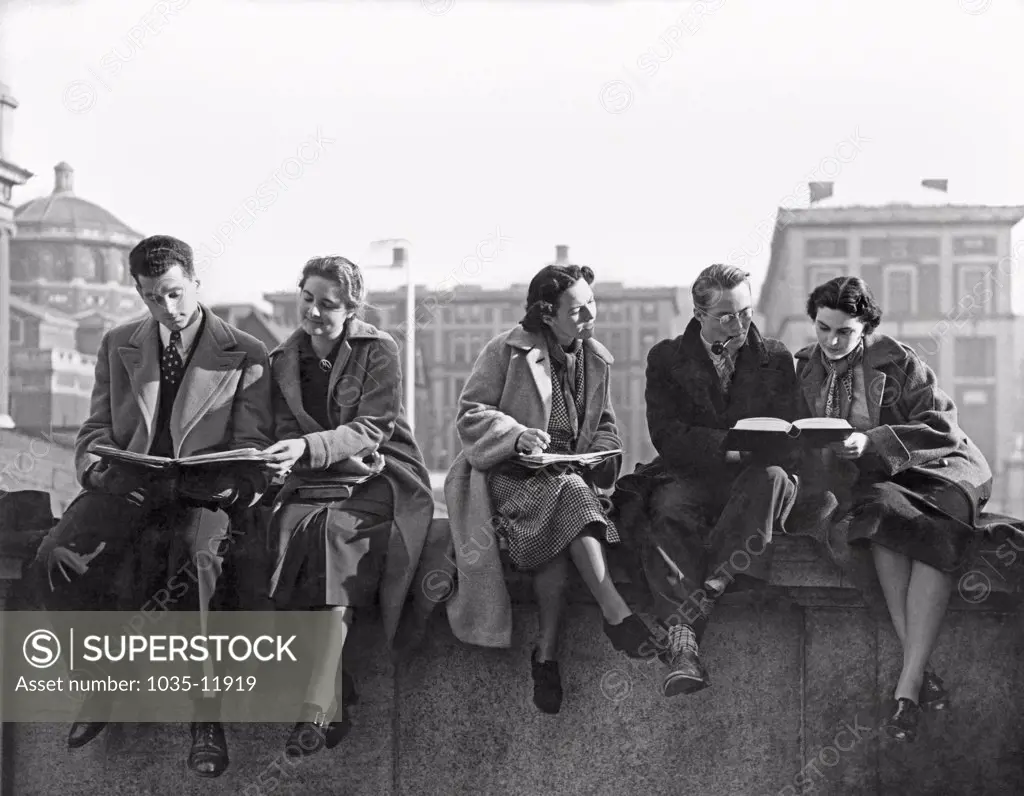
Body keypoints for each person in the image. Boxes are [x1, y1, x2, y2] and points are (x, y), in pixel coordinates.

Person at [31, 234, 273, 778]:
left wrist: (231, 487)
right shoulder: (119, 343)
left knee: (197, 564)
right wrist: (96, 468)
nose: (168, 309)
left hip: (200, 492)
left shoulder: (246, 353)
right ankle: (100, 686)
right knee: (53, 558)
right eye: (152, 297)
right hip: (129, 486)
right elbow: (95, 428)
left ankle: (206, 716)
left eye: (175, 293)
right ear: (138, 293)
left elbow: (254, 446)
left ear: (195, 282)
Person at [444, 263, 655, 715]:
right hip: (509, 477)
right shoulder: (506, 351)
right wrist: (517, 435)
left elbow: (607, 428)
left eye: (591, 305)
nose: (588, 317)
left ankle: (547, 658)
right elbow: (470, 414)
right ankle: (615, 612)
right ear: (547, 313)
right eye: (577, 310)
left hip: (565, 479)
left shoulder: (596, 359)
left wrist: (596, 452)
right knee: (569, 494)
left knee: (561, 521)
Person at [793, 276, 992, 742]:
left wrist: (874, 440)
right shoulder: (803, 368)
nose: (832, 341)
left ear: (866, 327)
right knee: (879, 518)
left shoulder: (897, 360)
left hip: (942, 471)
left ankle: (908, 682)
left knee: (930, 530)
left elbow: (941, 426)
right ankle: (918, 676)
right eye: (823, 328)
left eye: (844, 331)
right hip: (884, 486)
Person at [261, 256, 435, 755]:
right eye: (308, 299)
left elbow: (371, 427)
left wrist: (306, 448)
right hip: (311, 480)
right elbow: (283, 428)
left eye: (328, 305)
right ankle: (336, 692)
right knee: (281, 541)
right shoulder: (282, 359)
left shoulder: (378, 350)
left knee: (335, 537)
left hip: (377, 475)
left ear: (352, 307)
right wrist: (283, 454)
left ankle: (315, 707)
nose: (314, 313)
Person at [613, 264, 800, 698]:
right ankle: (692, 630)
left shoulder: (775, 357)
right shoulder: (666, 358)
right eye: (727, 316)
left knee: (771, 479)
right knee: (668, 508)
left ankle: (699, 606)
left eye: (746, 312)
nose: (741, 324)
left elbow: (789, 431)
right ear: (700, 315)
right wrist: (729, 447)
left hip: (756, 478)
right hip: (693, 475)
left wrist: (784, 440)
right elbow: (666, 433)